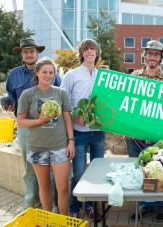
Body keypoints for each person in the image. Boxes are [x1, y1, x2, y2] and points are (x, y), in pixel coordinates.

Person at [5, 38, 62, 212]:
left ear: (37, 53)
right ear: (22, 54)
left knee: (49, 167)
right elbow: (10, 93)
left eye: (32, 51)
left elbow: (60, 92)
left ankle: (50, 204)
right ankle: (31, 202)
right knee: (29, 166)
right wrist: (7, 101)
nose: (29, 54)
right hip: (25, 127)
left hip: (48, 126)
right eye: (25, 51)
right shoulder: (14, 74)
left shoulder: (49, 71)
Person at [17, 57, 74, 215]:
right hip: (37, 147)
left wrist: (71, 141)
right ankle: (48, 219)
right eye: (44, 72)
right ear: (37, 73)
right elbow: (20, 122)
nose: (48, 75)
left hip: (59, 147)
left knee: (62, 187)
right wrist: (40, 120)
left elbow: (67, 119)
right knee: (44, 186)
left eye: (51, 72)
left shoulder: (61, 93)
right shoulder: (27, 95)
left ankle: (63, 220)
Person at [127, 40, 163, 221]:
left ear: (161, 58)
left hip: (157, 140)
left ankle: (162, 206)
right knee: (139, 174)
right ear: (145, 55)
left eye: (156, 54)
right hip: (135, 137)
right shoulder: (133, 77)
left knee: (159, 173)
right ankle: (145, 205)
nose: (152, 57)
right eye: (150, 53)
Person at [60, 39, 105, 218]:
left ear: (97, 53)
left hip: (98, 131)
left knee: (97, 170)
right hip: (78, 132)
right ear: (81, 53)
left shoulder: (102, 75)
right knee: (78, 172)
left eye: (93, 48)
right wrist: (74, 117)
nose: (89, 52)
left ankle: (91, 206)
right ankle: (75, 207)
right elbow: (63, 101)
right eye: (86, 49)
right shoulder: (71, 75)